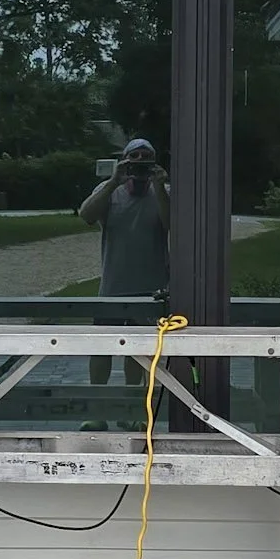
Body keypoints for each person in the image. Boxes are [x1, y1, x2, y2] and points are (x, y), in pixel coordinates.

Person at [78, 138, 170, 386]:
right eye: (134, 156)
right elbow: (86, 215)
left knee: (138, 352)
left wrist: (159, 186)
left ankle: (130, 407)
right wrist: (113, 182)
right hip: (113, 287)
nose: (139, 162)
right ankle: (97, 409)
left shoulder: (163, 192)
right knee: (101, 348)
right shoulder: (109, 190)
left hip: (152, 289)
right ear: (125, 160)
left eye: (145, 156)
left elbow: (171, 225)